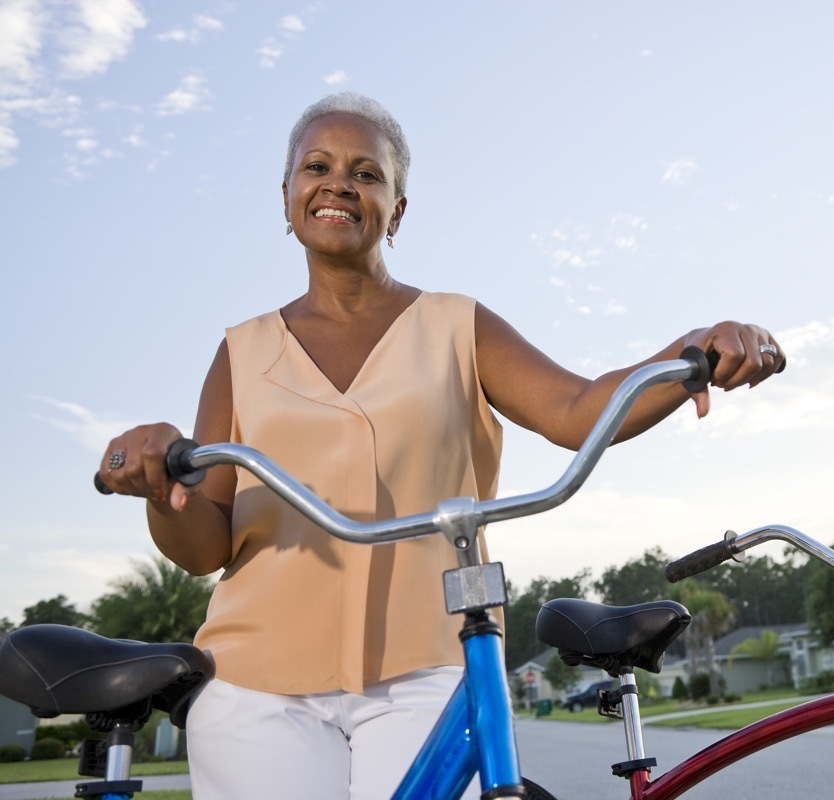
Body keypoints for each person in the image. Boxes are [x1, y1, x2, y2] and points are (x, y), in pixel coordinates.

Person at [97, 92, 785, 799]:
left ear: (397, 210)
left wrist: (695, 351)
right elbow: (205, 546)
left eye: (367, 173)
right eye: (318, 166)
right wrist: (161, 494)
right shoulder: (240, 354)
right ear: (287, 197)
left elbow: (580, 409)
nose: (339, 183)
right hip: (256, 682)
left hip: (426, 666)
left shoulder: (458, 326)